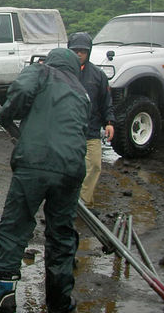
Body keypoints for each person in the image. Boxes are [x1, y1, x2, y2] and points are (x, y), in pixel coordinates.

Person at [0, 48, 90, 313]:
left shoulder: (41, 71)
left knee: (15, 225)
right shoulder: (82, 93)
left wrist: (5, 116)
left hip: (36, 162)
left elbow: (21, 91)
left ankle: (5, 294)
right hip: (72, 168)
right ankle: (60, 302)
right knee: (61, 234)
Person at [68, 32, 115, 208]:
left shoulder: (98, 75)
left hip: (91, 130)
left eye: (83, 50)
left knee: (94, 166)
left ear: (89, 52)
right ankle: (67, 204)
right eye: (75, 50)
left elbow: (106, 101)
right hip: (67, 130)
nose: (79, 53)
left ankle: (83, 204)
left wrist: (110, 122)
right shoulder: (59, 73)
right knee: (67, 170)